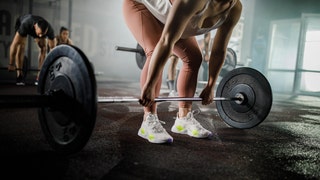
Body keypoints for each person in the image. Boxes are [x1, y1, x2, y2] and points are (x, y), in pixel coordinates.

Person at [123, 0, 242, 144]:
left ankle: (183, 119)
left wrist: (211, 86)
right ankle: (148, 121)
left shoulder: (234, 9)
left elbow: (219, 50)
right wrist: (149, 86)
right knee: (154, 51)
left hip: (172, 20)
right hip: (141, 6)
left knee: (193, 58)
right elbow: (167, 41)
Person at [8, 14, 55, 85]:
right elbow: (14, 45)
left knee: (44, 48)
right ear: (35, 26)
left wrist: (52, 65)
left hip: (37, 29)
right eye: (39, 34)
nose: (40, 36)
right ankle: (19, 75)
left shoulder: (50, 30)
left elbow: (53, 49)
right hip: (22, 23)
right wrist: (11, 63)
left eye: (43, 34)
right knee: (21, 46)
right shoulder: (25, 24)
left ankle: (39, 77)